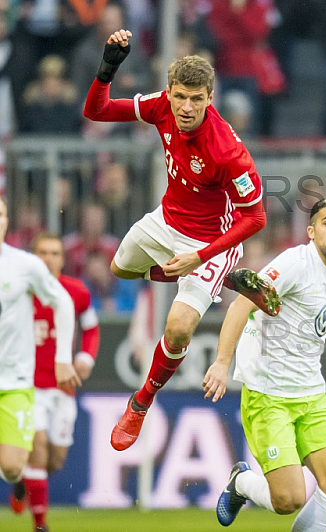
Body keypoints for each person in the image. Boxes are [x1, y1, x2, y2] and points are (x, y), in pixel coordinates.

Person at [82, 29, 279, 451]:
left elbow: (256, 217)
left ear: (211, 98)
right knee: (120, 269)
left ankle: (140, 402)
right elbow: (96, 111)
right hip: (165, 222)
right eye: (180, 97)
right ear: (170, 92)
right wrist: (108, 67)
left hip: (211, 242)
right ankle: (220, 280)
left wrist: (200, 257)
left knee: (176, 330)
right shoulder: (160, 107)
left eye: (196, 98)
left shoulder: (228, 151)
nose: (186, 107)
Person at [203, 198, 326, 531]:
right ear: (311, 231)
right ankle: (242, 483)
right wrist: (222, 363)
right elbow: (240, 307)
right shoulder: (295, 263)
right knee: (288, 500)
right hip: (268, 396)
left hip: (311, 396)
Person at [8, 233, 100, 530]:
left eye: (55, 253)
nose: (48, 258)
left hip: (62, 387)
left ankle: (22, 482)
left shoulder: (75, 292)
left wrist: (85, 357)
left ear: (63, 258)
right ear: (32, 258)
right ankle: (40, 524)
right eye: (42, 252)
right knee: (38, 448)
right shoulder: (18, 288)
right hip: (26, 384)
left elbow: (91, 328)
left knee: (54, 460)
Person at [0, 197, 80, 493]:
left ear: (7, 221)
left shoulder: (25, 265)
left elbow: (63, 303)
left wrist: (64, 358)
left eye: (1, 214)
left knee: (12, 467)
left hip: (15, 381)